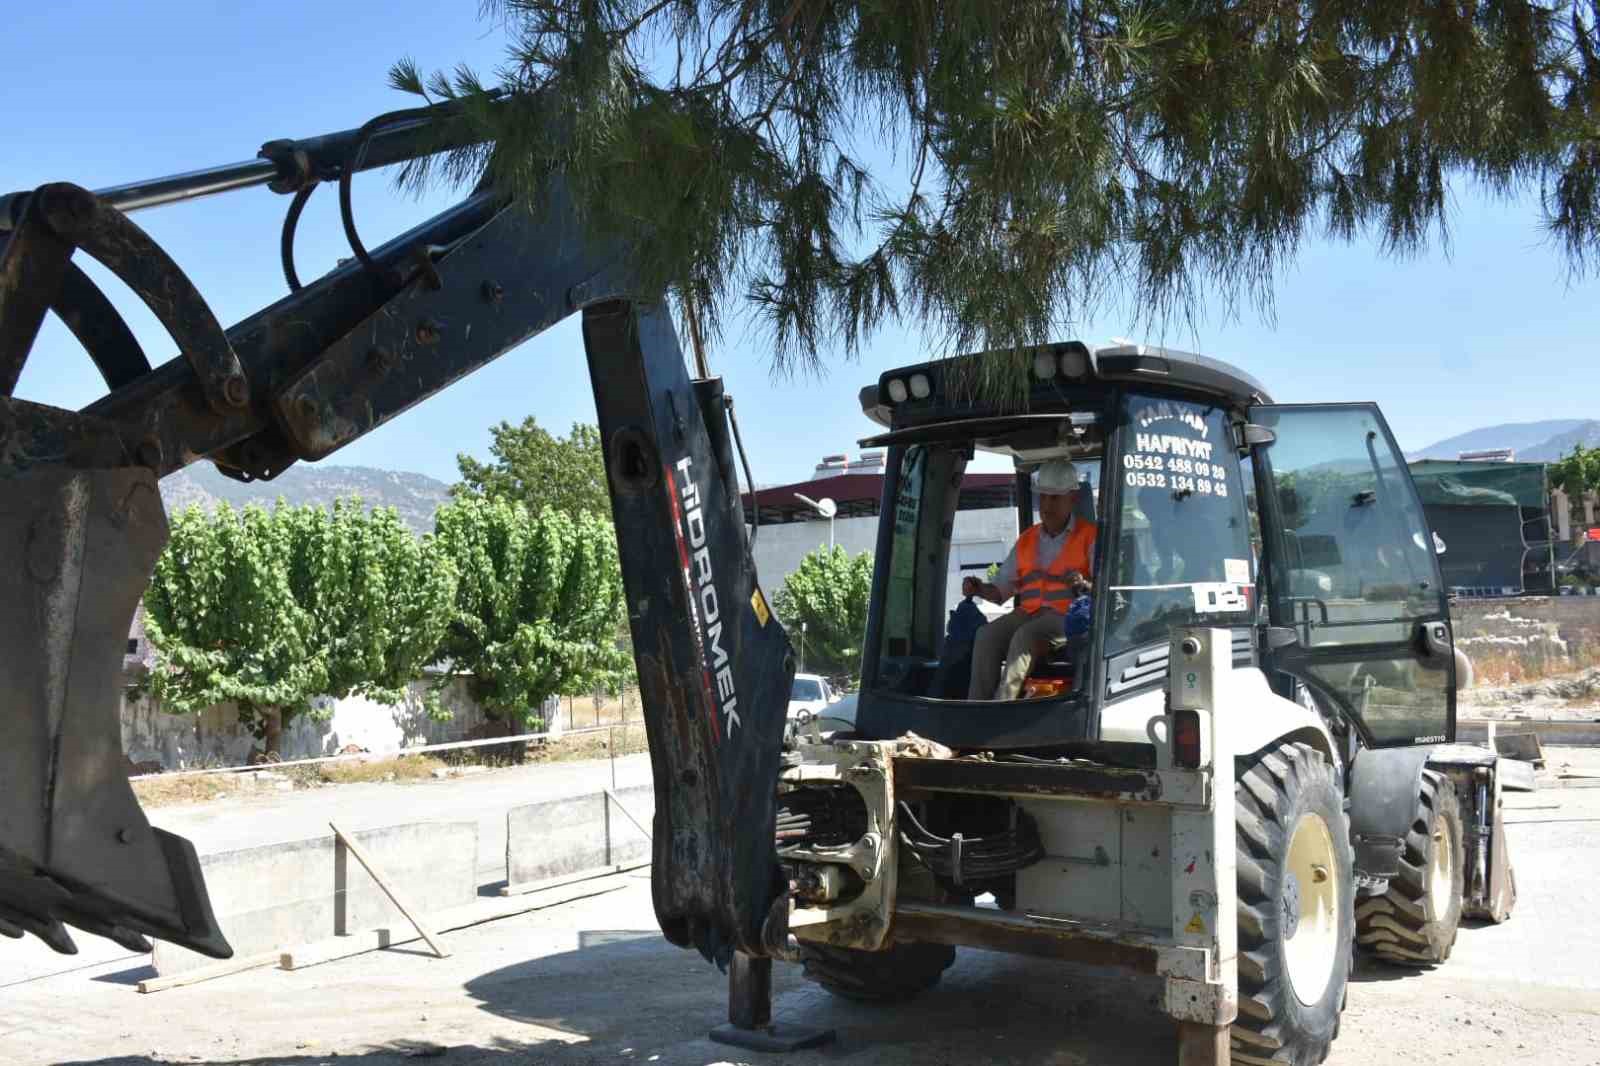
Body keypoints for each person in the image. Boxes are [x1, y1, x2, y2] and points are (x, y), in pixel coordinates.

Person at [962, 459, 1098, 700]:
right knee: (986, 636)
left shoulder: (1091, 536)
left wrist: (1085, 586)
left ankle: (1000, 707)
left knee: (1025, 635)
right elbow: (1001, 590)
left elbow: (1108, 593)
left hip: (1066, 619)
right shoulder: (1027, 539)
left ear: (1073, 498)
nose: (1046, 505)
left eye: (1055, 498)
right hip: (1028, 613)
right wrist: (980, 589)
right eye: (1043, 497)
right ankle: (976, 707)